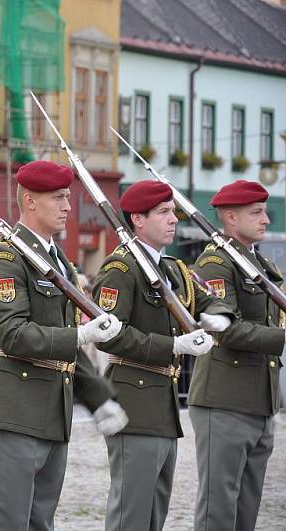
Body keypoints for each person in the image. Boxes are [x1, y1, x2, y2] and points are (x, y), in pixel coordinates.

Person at [0, 160, 126, 530]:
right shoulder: (6, 256)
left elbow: (66, 347)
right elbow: (10, 332)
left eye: (68, 197)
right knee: (10, 522)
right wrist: (81, 335)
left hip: (54, 411)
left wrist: (98, 396)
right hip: (14, 409)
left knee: (41, 523)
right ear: (29, 200)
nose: (68, 207)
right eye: (58, 198)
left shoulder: (61, 264)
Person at [90, 179, 236, 531]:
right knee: (131, 516)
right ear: (138, 219)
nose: (174, 220)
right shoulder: (121, 269)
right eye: (164, 213)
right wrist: (172, 346)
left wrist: (220, 314)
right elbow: (109, 336)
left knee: (155, 515)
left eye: (173, 212)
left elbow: (206, 299)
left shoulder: (173, 269)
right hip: (134, 402)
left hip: (163, 409)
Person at [189, 180, 284, 531]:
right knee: (219, 509)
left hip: (259, 401)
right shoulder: (216, 262)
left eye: (264, 211)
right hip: (224, 400)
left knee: (247, 508)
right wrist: (282, 339)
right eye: (255, 213)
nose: (265, 220)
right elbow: (225, 327)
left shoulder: (257, 263)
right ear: (230, 217)